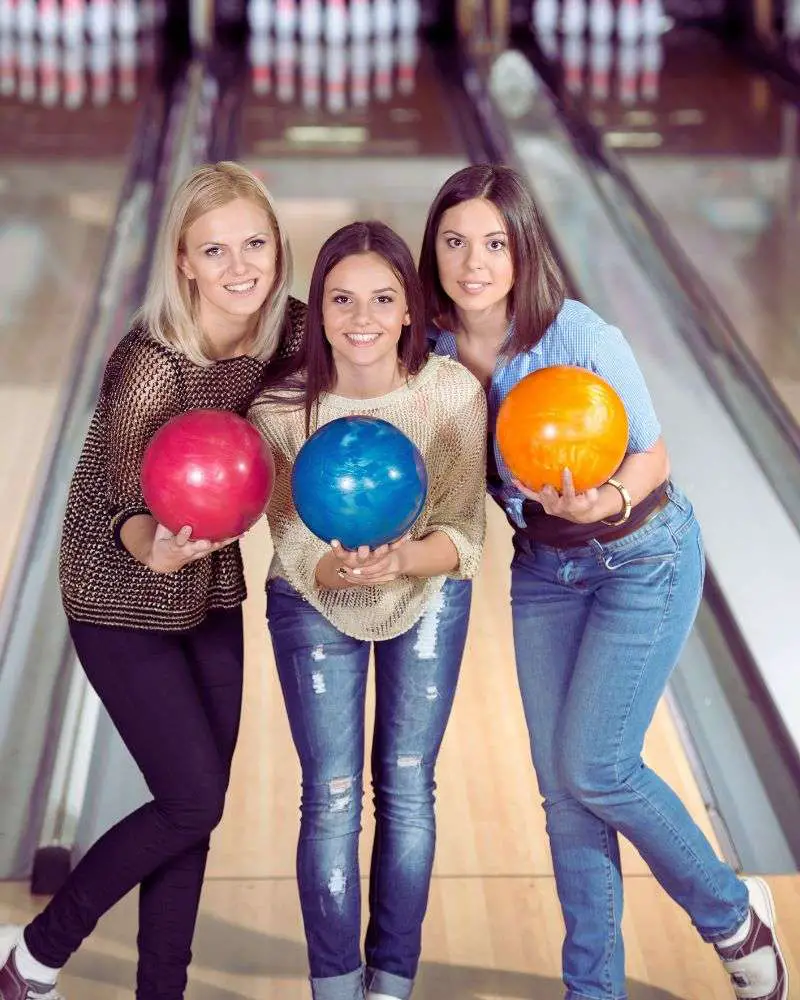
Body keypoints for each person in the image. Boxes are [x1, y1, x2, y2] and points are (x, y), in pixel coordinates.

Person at [417, 163, 788, 1000]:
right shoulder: (435, 356)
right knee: (564, 795)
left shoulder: (577, 337)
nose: (473, 262)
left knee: (599, 766)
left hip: (641, 555)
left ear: (522, 253)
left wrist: (606, 499)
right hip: (544, 571)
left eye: (494, 243)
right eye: (454, 242)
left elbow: (655, 456)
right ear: (432, 249)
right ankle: (594, 990)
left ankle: (733, 916)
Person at [0, 161, 306, 1000]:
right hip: (119, 585)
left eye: (255, 243)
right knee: (192, 798)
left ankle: (158, 990)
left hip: (206, 584)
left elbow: (366, 336)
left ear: (279, 246)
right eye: (216, 250)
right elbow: (118, 495)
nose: (241, 266)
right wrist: (153, 549)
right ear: (183, 262)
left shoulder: (286, 329)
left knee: (193, 806)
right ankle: (36, 956)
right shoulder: (149, 364)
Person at [248, 220, 487, 1000]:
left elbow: (464, 529)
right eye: (342, 299)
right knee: (332, 796)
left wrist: (400, 560)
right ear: (316, 310)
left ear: (412, 310)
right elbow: (286, 529)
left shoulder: (452, 395)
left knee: (409, 785)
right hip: (313, 600)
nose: (362, 317)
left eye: (384, 299)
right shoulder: (281, 408)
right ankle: (335, 985)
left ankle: (391, 984)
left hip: (426, 597)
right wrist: (334, 569)